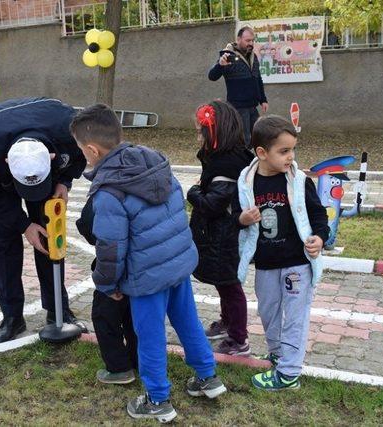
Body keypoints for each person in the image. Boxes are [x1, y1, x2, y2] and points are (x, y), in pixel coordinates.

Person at [71, 104, 227, 423]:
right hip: (177, 267)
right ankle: (208, 377)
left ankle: (158, 399)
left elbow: (110, 248)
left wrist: (108, 284)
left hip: (146, 279)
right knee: (188, 322)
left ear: (91, 149)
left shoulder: (108, 193)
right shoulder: (155, 162)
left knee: (150, 336)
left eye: (80, 151)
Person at [0, 97, 88, 344]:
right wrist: (23, 225)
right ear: (6, 163)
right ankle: (12, 317)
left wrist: (64, 182)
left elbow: (78, 159)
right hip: (0, 182)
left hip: (46, 147)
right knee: (6, 246)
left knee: (49, 240)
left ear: (53, 157)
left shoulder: (70, 132)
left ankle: (58, 309)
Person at [233, 115, 329, 391]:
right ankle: (278, 353)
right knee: (268, 312)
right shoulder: (246, 183)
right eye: (284, 151)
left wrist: (319, 238)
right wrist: (242, 220)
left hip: (297, 263)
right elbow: (233, 218)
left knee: (295, 316)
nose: (291, 157)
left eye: (293, 149)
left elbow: (318, 214)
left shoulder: (299, 181)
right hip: (265, 264)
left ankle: (288, 373)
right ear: (262, 153)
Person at [187, 100, 254, 356]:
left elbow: (212, 205)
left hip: (225, 234)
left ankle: (239, 339)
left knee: (229, 284)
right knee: (223, 282)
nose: (197, 135)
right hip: (220, 233)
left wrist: (193, 191)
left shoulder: (226, 163)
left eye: (199, 130)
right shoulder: (225, 156)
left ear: (213, 131)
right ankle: (228, 323)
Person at [76, 195, 138, 385]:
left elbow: (88, 223)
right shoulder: (147, 176)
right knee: (133, 317)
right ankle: (139, 360)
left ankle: (119, 368)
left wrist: (108, 283)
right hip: (141, 265)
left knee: (104, 317)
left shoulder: (105, 187)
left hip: (114, 268)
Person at [209, 26, 269, 148]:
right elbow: (212, 76)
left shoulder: (253, 56)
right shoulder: (227, 56)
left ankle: (255, 163)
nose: (250, 43)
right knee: (244, 139)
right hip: (238, 107)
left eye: (252, 40)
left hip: (252, 105)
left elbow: (257, 79)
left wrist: (263, 99)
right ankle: (244, 165)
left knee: (258, 136)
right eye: (247, 40)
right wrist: (220, 65)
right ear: (238, 39)